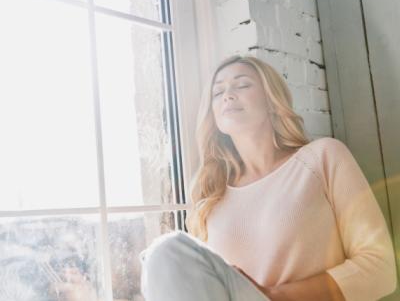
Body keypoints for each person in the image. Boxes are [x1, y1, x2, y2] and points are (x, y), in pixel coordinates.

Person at [139, 55, 397, 301]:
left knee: (168, 249)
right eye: (217, 93)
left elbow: (380, 269)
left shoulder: (322, 158)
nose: (228, 95)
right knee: (159, 257)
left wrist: (271, 295)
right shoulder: (211, 196)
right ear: (213, 115)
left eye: (242, 85)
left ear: (271, 100)